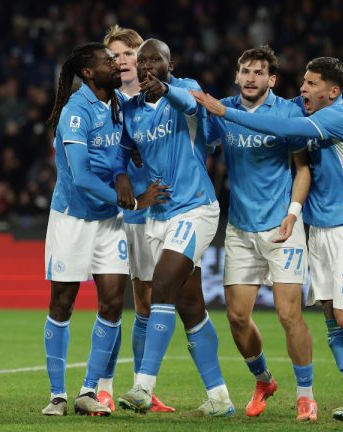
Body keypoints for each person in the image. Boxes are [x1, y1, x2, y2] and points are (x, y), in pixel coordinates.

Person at [192, 57, 343, 422]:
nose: (303, 90)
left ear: (333, 91)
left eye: (310, 84)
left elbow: (280, 127)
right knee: (330, 319)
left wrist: (224, 112)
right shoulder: (314, 115)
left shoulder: (339, 116)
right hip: (319, 229)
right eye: (304, 82)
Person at [42, 42, 166, 417]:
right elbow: (80, 176)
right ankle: (57, 395)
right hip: (73, 219)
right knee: (63, 302)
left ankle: (88, 391)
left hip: (108, 222)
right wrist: (129, 199)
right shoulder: (76, 112)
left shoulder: (114, 105)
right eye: (109, 61)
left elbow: (117, 153)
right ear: (89, 73)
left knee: (113, 301)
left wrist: (126, 167)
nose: (118, 64)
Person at [116, 39, 234, 417]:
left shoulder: (185, 89)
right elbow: (121, 148)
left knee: (161, 287)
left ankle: (142, 386)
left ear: (170, 64)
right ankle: (220, 398)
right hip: (159, 217)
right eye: (144, 60)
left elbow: (187, 103)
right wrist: (123, 169)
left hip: (196, 209)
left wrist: (168, 89)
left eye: (157, 60)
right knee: (190, 305)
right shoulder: (132, 110)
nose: (149, 65)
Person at [205, 46, 316, 421]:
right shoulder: (223, 111)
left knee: (289, 315)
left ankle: (306, 395)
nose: (251, 78)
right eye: (245, 71)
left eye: (259, 72)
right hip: (239, 228)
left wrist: (293, 213)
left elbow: (303, 169)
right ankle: (263, 379)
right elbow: (194, 140)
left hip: (281, 228)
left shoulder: (287, 112)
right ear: (237, 76)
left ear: (272, 79)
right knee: (236, 318)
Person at [99, 24, 175, 414]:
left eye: (128, 55)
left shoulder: (157, 98)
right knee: (112, 300)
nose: (122, 62)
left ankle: (143, 385)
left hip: (155, 212)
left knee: (146, 299)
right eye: (113, 56)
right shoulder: (105, 100)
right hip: (118, 213)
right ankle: (104, 386)